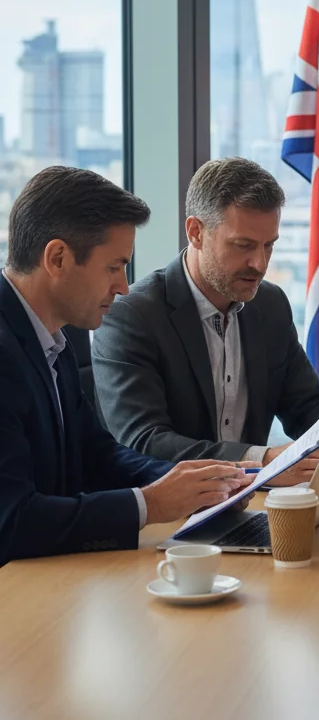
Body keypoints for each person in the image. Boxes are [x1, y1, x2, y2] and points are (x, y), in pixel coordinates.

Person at [0, 167, 250, 566]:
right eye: (114, 266)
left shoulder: (55, 337)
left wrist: (189, 484)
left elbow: (96, 455)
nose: (123, 286)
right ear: (58, 258)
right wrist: (149, 505)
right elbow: (11, 521)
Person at [92, 157, 319, 485]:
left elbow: (307, 403)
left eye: (268, 246)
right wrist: (262, 461)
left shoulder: (269, 305)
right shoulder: (133, 316)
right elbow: (145, 441)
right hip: (165, 517)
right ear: (196, 232)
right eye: (243, 246)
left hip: (249, 507)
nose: (259, 263)